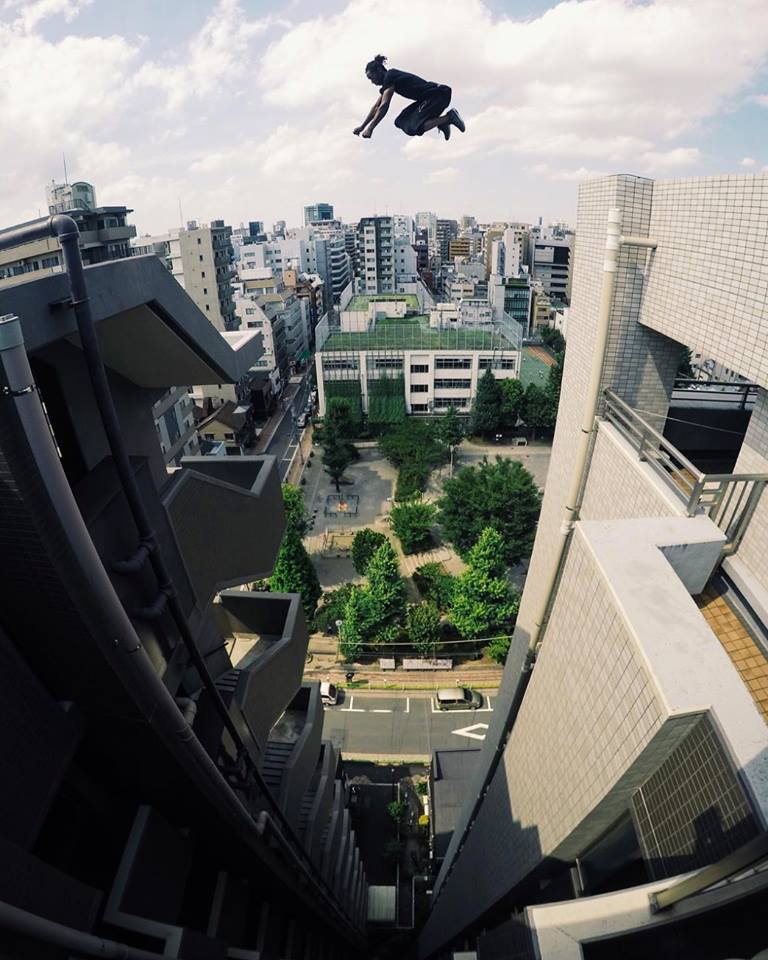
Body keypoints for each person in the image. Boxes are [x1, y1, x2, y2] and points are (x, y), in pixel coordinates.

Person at [354, 54, 465, 141]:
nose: (372, 82)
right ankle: (441, 122)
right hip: (430, 98)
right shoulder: (388, 82)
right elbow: (376, 107)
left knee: (413, 127)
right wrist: (362, 126)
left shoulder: (390, 76)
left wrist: (371, 128)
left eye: (371, 78)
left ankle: (449, 117)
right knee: (401, 121)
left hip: (438, 94)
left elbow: (384, 106)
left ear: (378, 70)